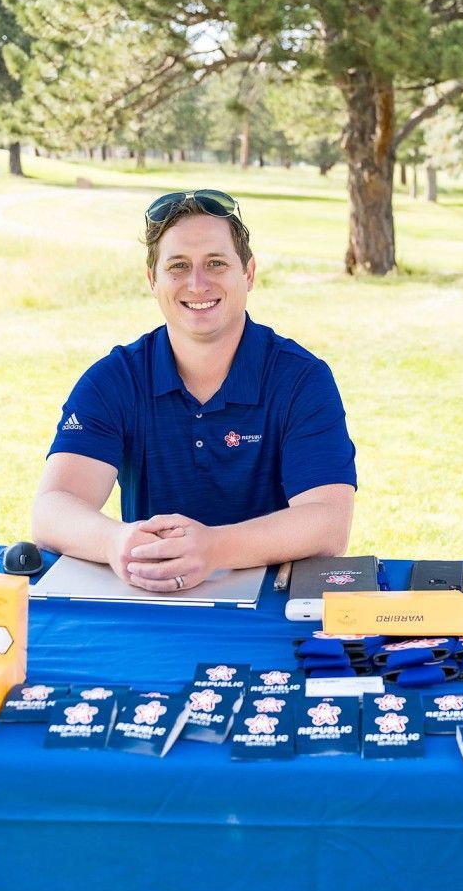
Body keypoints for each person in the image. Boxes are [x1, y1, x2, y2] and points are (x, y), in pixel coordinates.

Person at [32, 189, 356, 591]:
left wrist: (214, 547)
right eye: (178, 266)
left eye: (216, 264)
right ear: (153, 280)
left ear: (248, 274)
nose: (197, 284)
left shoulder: (302, 380)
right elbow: (53, 506)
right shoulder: (114, 379)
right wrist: (116, 541)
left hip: (272, 603)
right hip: (153, 596)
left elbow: (328, 522)